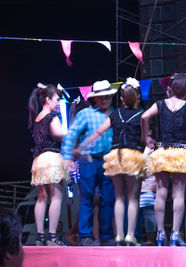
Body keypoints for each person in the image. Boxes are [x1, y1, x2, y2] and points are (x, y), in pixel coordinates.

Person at [76, 78, 145, 246]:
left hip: (115, 157)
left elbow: (98, 132)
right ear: (136, 97)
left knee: (119, 198)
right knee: (132, 198)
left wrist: (81, 146)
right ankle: (130, 235)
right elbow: (144, 139)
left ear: (121, 98)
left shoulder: (115, 114)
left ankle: (119, 235)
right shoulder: (142, 114)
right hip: (133, 156)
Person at [141, 73, 186, 246]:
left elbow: (144, 117)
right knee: (178, 195)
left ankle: (161, 233)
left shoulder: (160, 104)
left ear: (171, 88)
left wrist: (145, 138)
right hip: (180, 152)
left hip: (162, 150)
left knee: (160, 194)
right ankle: (176, 234)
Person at [62, 80, 117, 246]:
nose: (104, 99)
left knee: (108, 198)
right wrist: (66, 156)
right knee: (87, 197)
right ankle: (85, 235)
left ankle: (106, 236)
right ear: (94, 98)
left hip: (109, 161)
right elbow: (71, 134)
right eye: (100, 97)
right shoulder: (85, 114)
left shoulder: (114, 113)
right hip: (89, 160)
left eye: (106, 96)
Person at [28, 83, 70, 246]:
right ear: (47, 100)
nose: (59, 103)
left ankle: (40, 237)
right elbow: (58, 134)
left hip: (38, 160)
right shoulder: (51, 117)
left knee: (41, 198)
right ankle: (52, 237)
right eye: (57, 100)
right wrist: (70, 133)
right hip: (52, 158)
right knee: (56, 197)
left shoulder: (36, 118)